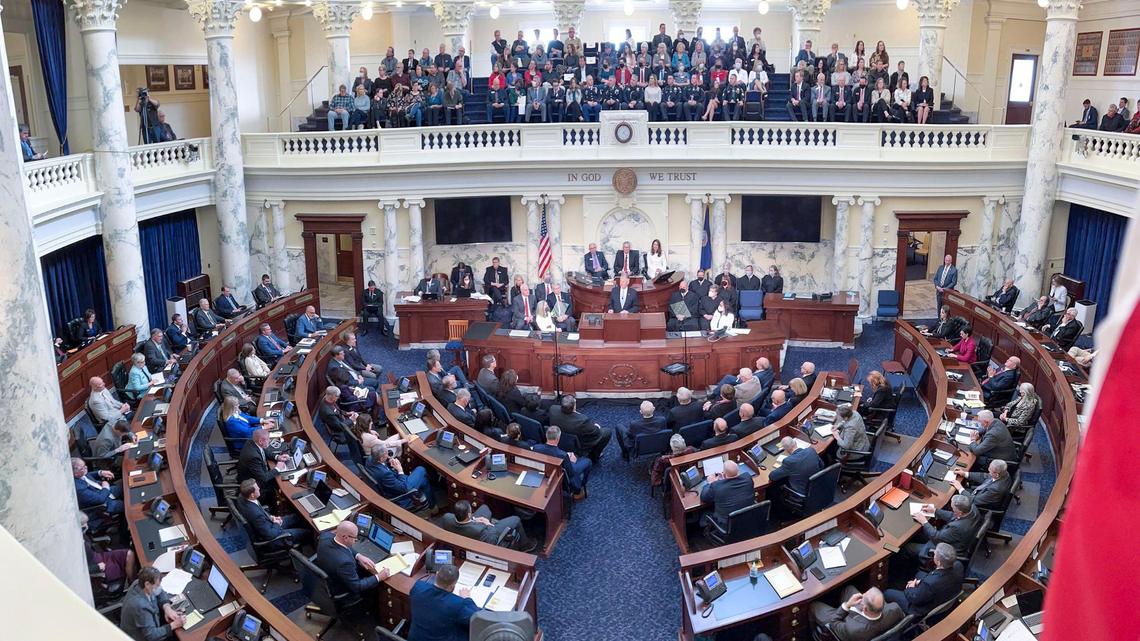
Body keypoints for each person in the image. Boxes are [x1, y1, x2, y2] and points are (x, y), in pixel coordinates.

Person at [316, 521, 391, 617]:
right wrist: (379, 577)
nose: (356, 540)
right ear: (345, 537)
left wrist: (358, 555)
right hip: (339, 588)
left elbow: (343, 546)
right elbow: (357, 586)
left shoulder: (325, 536)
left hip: (326, 575)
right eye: (355, 538)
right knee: (376, 584)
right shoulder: (344, 563)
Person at [884, 542, 964, 618]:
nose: (933, 554)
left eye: (935, 554)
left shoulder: (930, 584)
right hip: (943, 593)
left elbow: (914, 598)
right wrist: (920, 582)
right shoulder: (959, 566)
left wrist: (910, 587)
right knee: (919, 574)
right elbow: (933, 579)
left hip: (919, 608)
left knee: (887, 593)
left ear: (938, 563)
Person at [408, 563, 480, 641]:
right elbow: (479, 619)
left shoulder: (418, 587)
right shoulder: (456, 604)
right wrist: (467, 599)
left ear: (437, 574)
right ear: (452, 586)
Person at [235, 479, 310, 552]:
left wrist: (271, 517)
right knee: (306, 532)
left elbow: (261, 512)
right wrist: (276, 523)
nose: (259, 488)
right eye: (257, 489)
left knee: (297, 516)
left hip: (268, 524)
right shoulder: (256, 514)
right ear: (252, 495)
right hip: (274, 538)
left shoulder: (241, 497)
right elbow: (270, 535)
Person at [808, 586, 903, 641]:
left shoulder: (852, 630)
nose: (862, 594)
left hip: (843, 624)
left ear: (865, 608)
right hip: (869, 627)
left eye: (863, 596)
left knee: (814, 606)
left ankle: (812, 635)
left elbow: (834, 623)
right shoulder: (894, 608)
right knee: (849, 589)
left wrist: (847, 605)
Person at [906, 494, 980, 560]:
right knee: (919, 535)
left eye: (953, 508)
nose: (952, 509)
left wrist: (924, 522)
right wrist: (935, 511)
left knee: (908, 547)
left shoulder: (956, 527)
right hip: (957, 538)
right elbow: (952, 515)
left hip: (948, 549)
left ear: (960, 512)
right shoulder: (972, 509)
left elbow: (936, 536)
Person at [442, 499, 534, 552]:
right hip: (486, 532)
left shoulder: (446, 517)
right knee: (516, 519)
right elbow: (492, 541)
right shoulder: (482, 530)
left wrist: (473, 520)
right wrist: (489, 524)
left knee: (484, 508)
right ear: (469, 514)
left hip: (466, 528)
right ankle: (525, 545)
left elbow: (465, 521)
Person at [119, 567, 183, 640]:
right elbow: (151, 635)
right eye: (157, 585)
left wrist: (167, 607)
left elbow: (160, 591)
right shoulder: (140, 607)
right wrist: (174, 625)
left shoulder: (139, 582)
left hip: (152, 621)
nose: (159, 587)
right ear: (147, 584)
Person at [365, 444, 434, 509]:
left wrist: (388, 461)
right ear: (381, 458)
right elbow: (403, 487)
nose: (388, 453)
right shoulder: (385, 474)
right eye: (386, 453)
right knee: (421, 469)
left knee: (424, 480)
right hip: (399, 491)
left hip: (390, 483)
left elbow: (382, 465)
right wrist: (400, 470)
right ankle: (431, 505)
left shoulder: (370, 458)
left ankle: (431, 505)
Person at [548, 394, 612, 463]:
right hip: (578, 446)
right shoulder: (582, 421)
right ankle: (594, 456)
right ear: (574, 406)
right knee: (607, 432)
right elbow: (596, 433)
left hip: (558, 440)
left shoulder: (553, 409)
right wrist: (597, 427)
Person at [237, 429, 288, 512]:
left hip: (256, 474)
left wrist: (278, 457)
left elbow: (264, 451)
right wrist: (278, 468)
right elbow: (264, 478)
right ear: (260, 441)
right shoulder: (253, 456)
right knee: (278, 485)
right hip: (251, 484)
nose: (270, 441)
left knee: (279, 479)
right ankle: (274, 511)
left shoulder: (252, 442)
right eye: (268, 439)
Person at [533, 425, 591, 499]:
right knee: (588, 461)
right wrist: (572, 461)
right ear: (558, 438)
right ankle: (582, 485)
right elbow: (571, 473)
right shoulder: (562, 455)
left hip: (544, 472)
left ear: (546, 436)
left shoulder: (536, 447)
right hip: (562, 476)